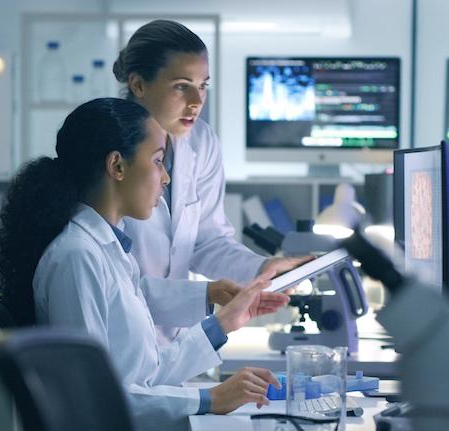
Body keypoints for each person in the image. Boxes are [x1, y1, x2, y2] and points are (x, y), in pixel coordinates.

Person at [0, 97, 288, 431]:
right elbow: (91, 399)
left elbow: (148, 372)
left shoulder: (110, 250)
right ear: (117, 166)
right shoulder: (77, 257)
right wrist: (210, 400)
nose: (165, 178)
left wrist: (225, 323)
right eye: (158, 161)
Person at [113, 19, 310, 339]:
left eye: (203, 85)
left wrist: (262, 269)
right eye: (181, 85)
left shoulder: (200, 142)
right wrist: (205, 295)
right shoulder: (107, 151)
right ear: (138, 85)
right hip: (117, 338)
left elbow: (206, 241)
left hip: (172, 340)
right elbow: (104, 280)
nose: (196, 101)